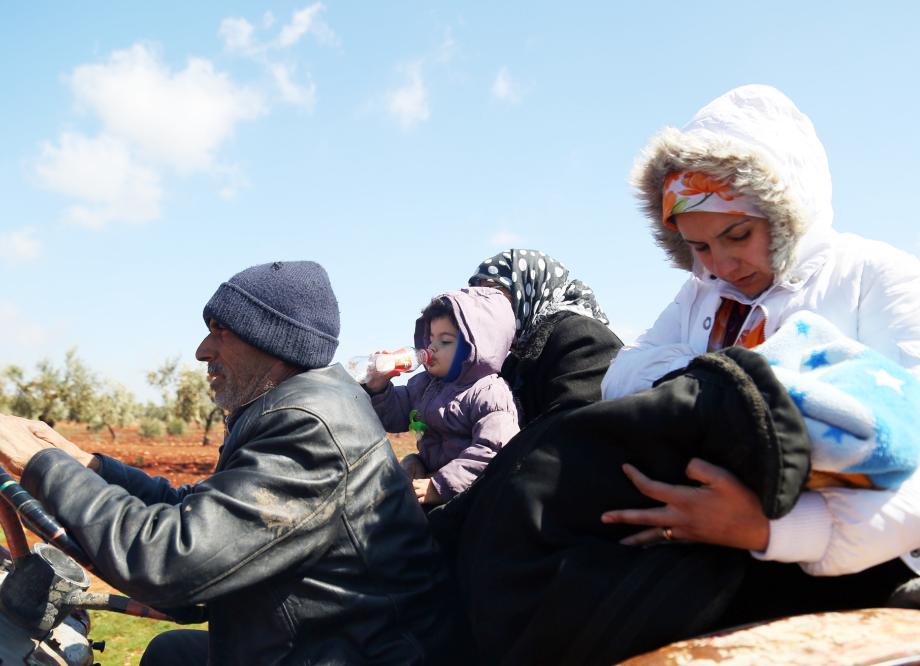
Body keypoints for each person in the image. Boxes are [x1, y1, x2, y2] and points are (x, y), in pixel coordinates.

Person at [0, 261, 455, 666]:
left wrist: (41, 463)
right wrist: (85, 463)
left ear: (273, 341)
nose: (202, 351)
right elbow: (198, 513)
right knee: (170, 655)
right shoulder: (295, 407)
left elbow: (169, 561)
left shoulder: (311, 429)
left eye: (220, 331)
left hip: (355, 654)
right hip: (321, 640)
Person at [599, 84, 920, 586]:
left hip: (857, 573)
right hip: (710, 553)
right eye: (698, 245)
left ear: (785, 210)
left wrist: (771, 528)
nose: (721, 265)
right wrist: (726, 385)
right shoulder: (700, 294)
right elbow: (619, 377)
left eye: (738, 235)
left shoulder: (876, 277)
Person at [365, 287, 520, 506]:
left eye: (445, 341)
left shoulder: (489, 393)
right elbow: (395, 414)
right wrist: (380, 387)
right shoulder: (424, 384)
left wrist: (440, 485)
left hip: (469, 499)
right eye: (430, 339)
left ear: (474, 347)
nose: (432, 348)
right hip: (428, 482)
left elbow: (493, 450)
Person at [468, 249, 623, 424]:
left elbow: (573, 428)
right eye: (476, 297)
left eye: (490, 291)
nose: (481, 305)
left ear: (525, 286)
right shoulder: (513, 362)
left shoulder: (582, 336)